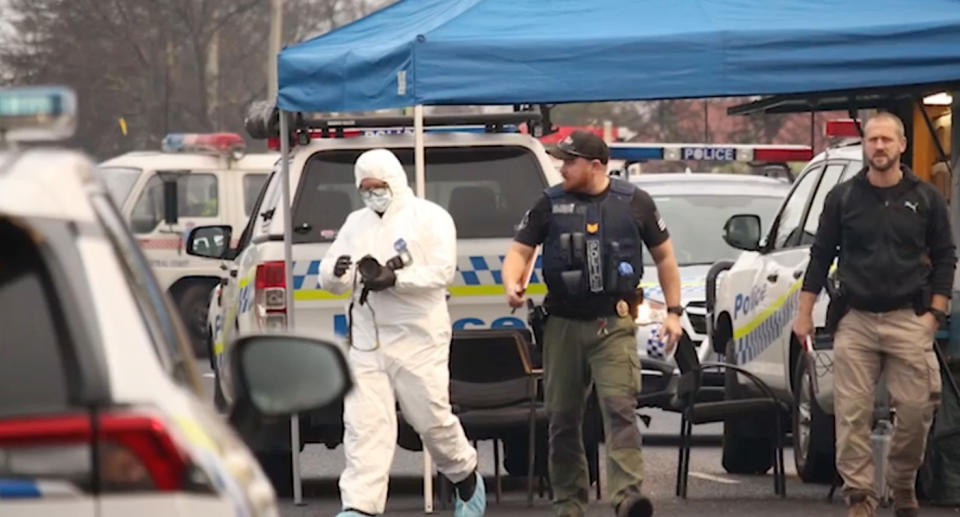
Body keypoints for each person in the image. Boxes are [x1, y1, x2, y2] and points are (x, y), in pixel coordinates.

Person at [501, 130, 683, 517]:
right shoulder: (549, 204)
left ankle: (626, 496)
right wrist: (511, 284)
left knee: (619, 407)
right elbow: (520, 250)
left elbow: (665, 258)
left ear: (596, 165)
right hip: (563, 324)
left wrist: (673, 312)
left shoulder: (635, 203)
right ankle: (569, 501)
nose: (561, 168)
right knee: (563, 417)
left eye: (569, 162)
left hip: (613, 323)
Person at [794, 112, 956, 517]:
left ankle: (902, 485)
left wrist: (934, 314)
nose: (879, 146)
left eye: (887, 140)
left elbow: (944, 256)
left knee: (918, 411)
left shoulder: (925, 198)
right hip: (857, 319)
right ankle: (860, 497)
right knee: (851, 414)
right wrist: (804, 311)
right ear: (864, 145)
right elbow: (820, 255)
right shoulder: (843, 197)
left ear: (902, 145)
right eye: (872, 140)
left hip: (909, 318)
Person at [319, 149, 485, 517]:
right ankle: (359, 506)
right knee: (364, 425)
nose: (372, 194)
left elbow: (442, 271)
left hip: (418, 338)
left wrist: (396, 278)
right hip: (367, 340)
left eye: (378, 187)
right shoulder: (355, 223)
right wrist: (336, 271)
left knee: (429, 418)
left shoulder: (430, 218)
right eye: (365, 188)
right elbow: (330, 274)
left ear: (393, 181)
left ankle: (465, 473)